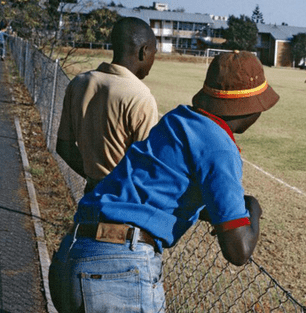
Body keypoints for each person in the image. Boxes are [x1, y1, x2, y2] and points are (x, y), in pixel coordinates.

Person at [48, 51, 280, 313]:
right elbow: (239, 251)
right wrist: (254, 209)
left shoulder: (177, 120)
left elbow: (163, 191)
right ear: (252, 107)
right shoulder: (220, 147)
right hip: (118, 270)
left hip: (73, 253)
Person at [56, 17, 159, 193]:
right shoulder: (141, 97)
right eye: (154, 54)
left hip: (91, 193)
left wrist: (94, 177)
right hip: (122, 201)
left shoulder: (79, 83)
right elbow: (145, 168)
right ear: (144, 51)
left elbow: (64, 146)